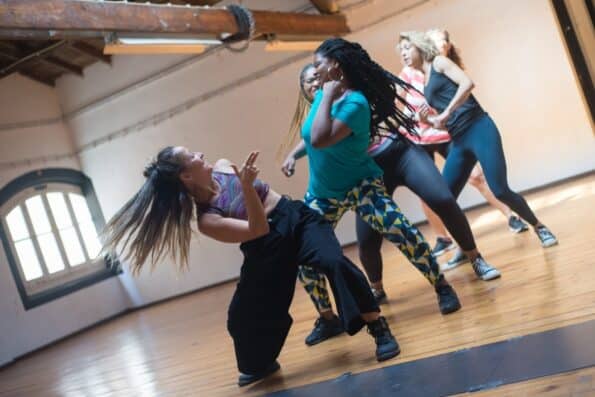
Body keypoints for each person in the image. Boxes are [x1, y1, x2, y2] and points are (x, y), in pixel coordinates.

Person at [102, 147, 402, 387]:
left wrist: (246, 185)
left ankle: (378, 328)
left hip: (295, 219)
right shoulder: (208, 220)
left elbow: (266, 203)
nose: (199, 154)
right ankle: (259, 364)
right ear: (185, 176)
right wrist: (246, 188)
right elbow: (257, 231)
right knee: (241, 316)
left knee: (334, 261)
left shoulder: (222, 165)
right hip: (265, 245)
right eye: (192, 156)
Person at [282, 38, 462, 346]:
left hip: (361, 186)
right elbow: (311, 136)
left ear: (335, 67)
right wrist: (293, 155)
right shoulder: (318, 102)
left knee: (402, 233)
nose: (315, 72)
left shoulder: (355, 102)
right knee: (303, 254)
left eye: (318, 65)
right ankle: (328, 318)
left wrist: (326, 96)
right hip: (324, 193)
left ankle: (441, 285)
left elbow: (323, 138)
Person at [398, 31, 558, 254]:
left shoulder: (439, 63)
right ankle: (467, 251)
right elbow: (445, 123)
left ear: (419, 46)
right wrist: (430, 120)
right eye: (401, 51)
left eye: (407, 48)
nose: (403, 54)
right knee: (444, 199)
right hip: (459, 140)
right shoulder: (424, 82)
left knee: (500, 189)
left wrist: (445, 113)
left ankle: (539, 227)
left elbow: (467, 83)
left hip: (479, 128)